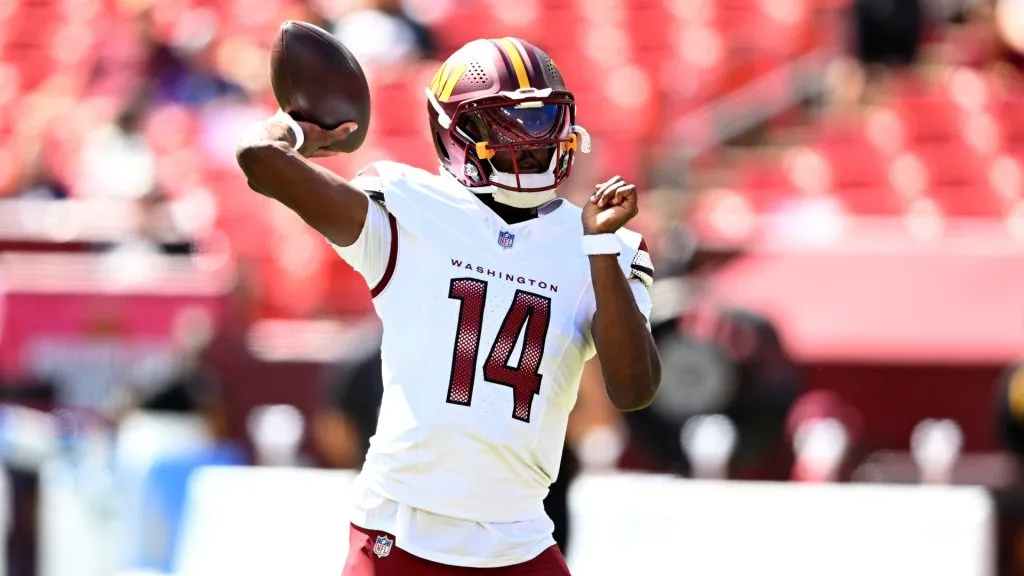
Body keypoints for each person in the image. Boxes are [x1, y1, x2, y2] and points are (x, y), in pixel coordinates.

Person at [237, 37, 661, 575]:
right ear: (457, 132)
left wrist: (599, 248)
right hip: (399, 530)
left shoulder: (609, 245)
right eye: (509, 123)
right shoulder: (410, 206)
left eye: (543, 120)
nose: (533, 141)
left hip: (519, 537)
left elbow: (634, 390)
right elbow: (259, 159)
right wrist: (298, 128)